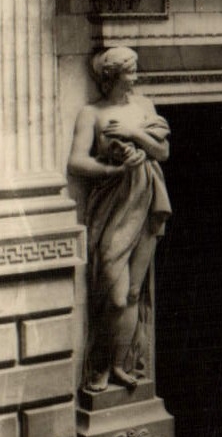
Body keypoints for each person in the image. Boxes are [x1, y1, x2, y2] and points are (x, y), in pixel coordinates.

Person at [67, 47, 171, 392]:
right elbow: (77, 163)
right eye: (130, 71)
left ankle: (119, 364)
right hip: (112, 203)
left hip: (146, 197)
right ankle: (98, 364)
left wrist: (134, 134)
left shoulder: (143, 107)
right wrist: (113, 167)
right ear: (111, 75)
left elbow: (162, 152)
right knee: (113, 294)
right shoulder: (91, 113)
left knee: (133, 292)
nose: (136, 77)